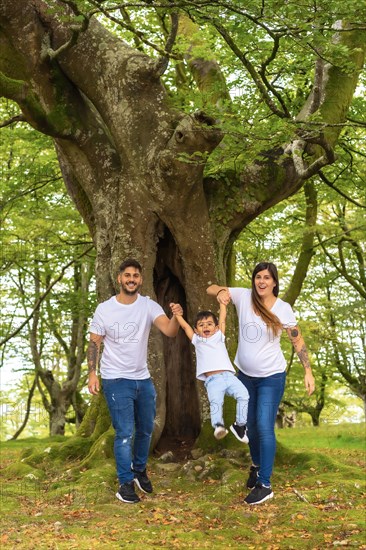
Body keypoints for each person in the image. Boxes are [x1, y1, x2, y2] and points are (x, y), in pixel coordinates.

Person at [207, 262, 315, 505]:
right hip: (244, 375)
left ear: (274, 282)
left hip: (271, 377)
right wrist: (221, 292)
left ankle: (265, 485)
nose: (262, 281)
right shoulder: (244, 296)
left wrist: (308, 371)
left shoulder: (282, 308)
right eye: (258, 277)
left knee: (264, 426)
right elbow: (211, 288)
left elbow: (297, 340)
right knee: (251, 427)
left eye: (267, 277)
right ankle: (255, 466)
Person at [87, 258, 183, 504]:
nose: (131, 279)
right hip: (115, 379)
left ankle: (139, 470)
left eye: (136, 276)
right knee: (124, 432)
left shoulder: (148, 306)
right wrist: (92, 374)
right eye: (127, 275)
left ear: (140, 280)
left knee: (146, 429)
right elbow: (94, 342)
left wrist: (176, 317)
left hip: (142, 379)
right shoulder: (104, 309)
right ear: (119, 278)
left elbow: (170, 331)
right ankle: (125, 483)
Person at [171, 302, 249, 443]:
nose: (205, 327)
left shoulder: (219, 336)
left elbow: (223, 318)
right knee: (216, 402)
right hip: (213, 380)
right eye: (201, 325)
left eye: (209, 324)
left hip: (229, 377)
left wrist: (222, 304)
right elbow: (185, 326)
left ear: (216, 327)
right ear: (196, 330)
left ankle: (240, 425)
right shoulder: (197, 340)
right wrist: (178, 315)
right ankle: (218, 425)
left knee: (244, 395)